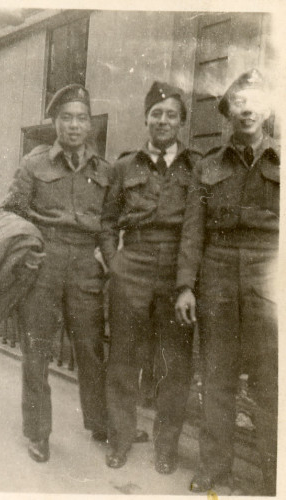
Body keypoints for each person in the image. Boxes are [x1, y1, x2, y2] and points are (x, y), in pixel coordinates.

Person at [175, 69, 279, 495]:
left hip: (268, 278)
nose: (247, 109)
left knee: (272, 382)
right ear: (227, 112)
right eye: (238, 102)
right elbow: (192, 230)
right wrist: (185, 285)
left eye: (255, 100)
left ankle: (275, 477)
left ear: (269, 109)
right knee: (216, 379)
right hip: (216, 278)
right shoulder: (208, 165)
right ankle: (215, 471)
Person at [0, 84, 110, 462]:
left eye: (81, 118)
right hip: (44, 262)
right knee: (37, 350)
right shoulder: (35, 162)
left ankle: (99, 422)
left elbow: (112, 222)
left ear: (90, 124)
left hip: (85, 265)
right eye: (66, 118)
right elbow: (12, 211)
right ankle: (38, 432)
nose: (74, 126)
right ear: (55, 122)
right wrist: (26, 251)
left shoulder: (105, 171)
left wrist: (104, 256)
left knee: (92, 350)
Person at [100, 81, 201, 470]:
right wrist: (116, 264)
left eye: (171, 114)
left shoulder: (195, 168)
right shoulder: (125, 166)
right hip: (134, 264)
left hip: (177, 266)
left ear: (181, 122)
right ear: (146, 119)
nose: (163, 120)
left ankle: (165, 447)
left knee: (174, 364)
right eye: (156, 114)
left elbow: (196, 230)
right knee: (123, 357)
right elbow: (107, 222)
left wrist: (186, 283)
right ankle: (120, 439)